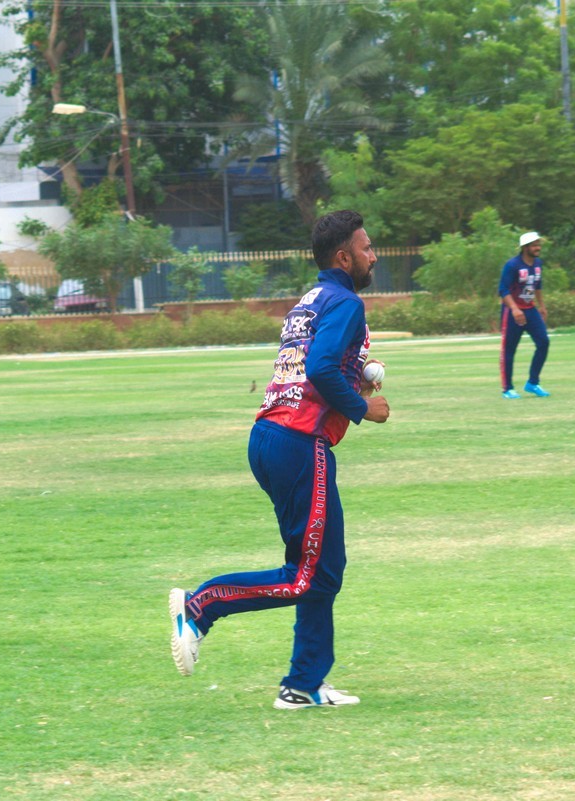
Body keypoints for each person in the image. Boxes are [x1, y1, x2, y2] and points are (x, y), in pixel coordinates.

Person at [169, 209, 391, 710]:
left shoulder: (309, 301)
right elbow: (319, 369)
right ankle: (200, 607)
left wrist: (358, 374)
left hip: (271, 436)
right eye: (367, 248)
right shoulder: (346, 302)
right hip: (299, 442)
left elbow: (315, 367)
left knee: (324, 569)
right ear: (344, 257)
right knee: (307, 576)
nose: (373, 256)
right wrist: (364, 408)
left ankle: (303, 684)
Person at [498, 231, 550, 399]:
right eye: (534, 245)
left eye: (538, 244)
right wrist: (514, 309)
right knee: (509, 349)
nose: (538, 248)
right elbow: (503, 290)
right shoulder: (512, 265)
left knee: (543, 342)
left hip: (530, 309)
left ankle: (533, 383)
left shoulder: (538, 264)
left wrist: (542, 306)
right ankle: (508, 388)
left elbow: (537, 286)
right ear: (525, 247)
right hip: (512, 312)